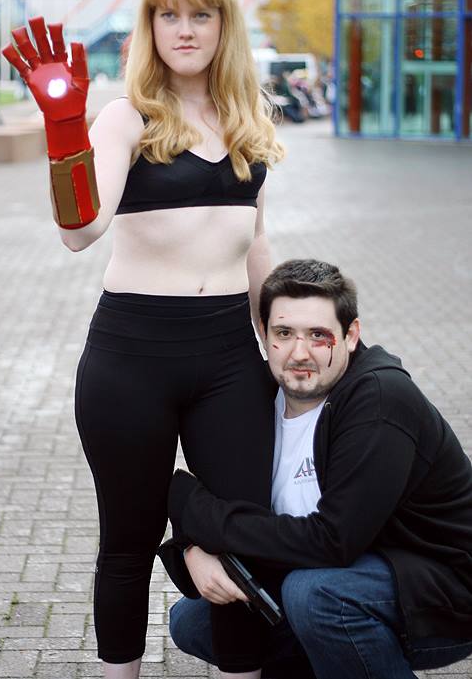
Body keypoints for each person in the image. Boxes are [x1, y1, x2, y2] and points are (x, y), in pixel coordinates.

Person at [2, 0, 284, 679]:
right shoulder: (126, 118)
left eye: (201, 14)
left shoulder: (247, 117)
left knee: (243, 537)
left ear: (224, 25)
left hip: (230, 359)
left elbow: (255, 243)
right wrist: (65, 131)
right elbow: (79, 232)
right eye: (168, 15)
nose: (184, 30)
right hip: (131, 360)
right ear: (149, 26)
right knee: (127, 542)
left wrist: (284, 345)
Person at [159, 258, 472, 679]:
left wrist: (201, 519)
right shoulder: (255, 398)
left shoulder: (380, 399)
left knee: (316, 597)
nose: (299, 353)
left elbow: (333, 541)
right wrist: (193, 547)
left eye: (318, 335)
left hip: (443, 588)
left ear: (351, 335)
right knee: (194, 621)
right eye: (284, 333)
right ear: (264, 334)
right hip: (348, 571)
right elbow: (216, 492)